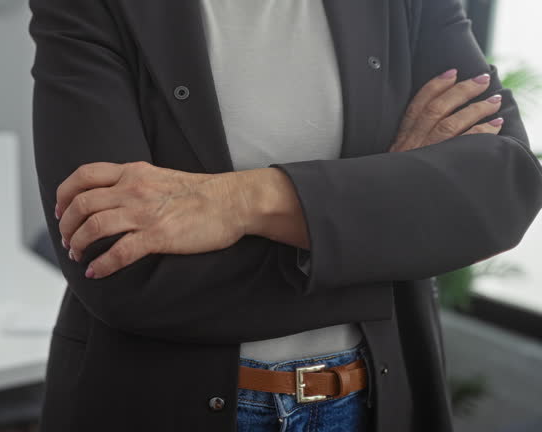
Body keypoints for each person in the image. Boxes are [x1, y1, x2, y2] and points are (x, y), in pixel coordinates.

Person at [28, 0, 542, 431]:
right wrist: (380, 213)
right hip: (160, 404)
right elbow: (118, 267)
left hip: (373, 402)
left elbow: (504, 187)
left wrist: (238, 200)